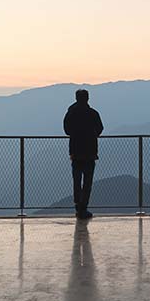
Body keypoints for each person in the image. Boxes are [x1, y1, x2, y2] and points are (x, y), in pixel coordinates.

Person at [63, 88, 104, 219]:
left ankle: (77, 205)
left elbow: (67, 130)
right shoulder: (93, 113)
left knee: (76, 180)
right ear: (87, 98)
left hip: (75, 151)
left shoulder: (71, 113)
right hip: (90, 151)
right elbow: (100, 128)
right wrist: (91, 136)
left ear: (76, 98)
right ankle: (84, 207)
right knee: (87, 181)